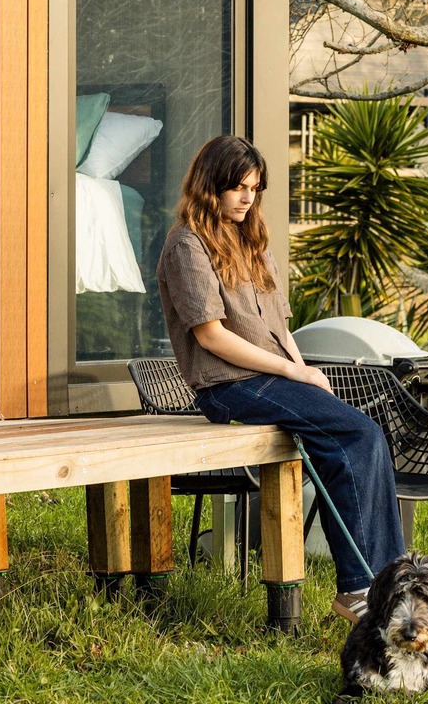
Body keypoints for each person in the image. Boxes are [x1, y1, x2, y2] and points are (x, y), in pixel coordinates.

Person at [156, 135, 404, 624]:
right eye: (238, 188)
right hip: (227, 385)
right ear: (211, 186)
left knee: (364, 435)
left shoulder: (251, 240)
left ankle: (388, 582)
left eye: (255, 188)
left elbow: (280, 328)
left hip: (274, 378)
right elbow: (211, 337)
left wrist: (308, 373)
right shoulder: (186, 244)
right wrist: (293, 370)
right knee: (356, 432)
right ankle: (358, 586)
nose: (248, 198)